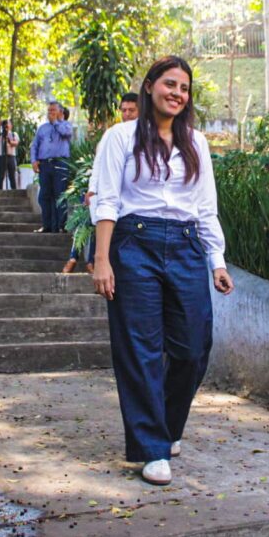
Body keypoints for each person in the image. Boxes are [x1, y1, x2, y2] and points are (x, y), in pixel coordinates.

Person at [91, 56, 235, 486]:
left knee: (193, 348)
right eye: (170, 84)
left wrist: (216, 260)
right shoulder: (120, 137)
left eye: (184, 88)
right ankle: (151, 448)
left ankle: (167, 426)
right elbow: (107, 200)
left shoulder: (196, 143)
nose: (177, 93)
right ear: (150, 85)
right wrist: (102, 259)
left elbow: (206, 207)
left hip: (187, 246)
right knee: (141, 349)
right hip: (134, 245)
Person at [62, 93, 140, 273]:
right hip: (109, 193)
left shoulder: (150, 135)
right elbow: (99, 162)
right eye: (124, 110)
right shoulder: (113, 133)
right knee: (97, 223)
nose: (127, 114)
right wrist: (92, 189)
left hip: (134, 201)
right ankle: (86, 260)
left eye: (131, 110)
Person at [30, 101, 73, 232]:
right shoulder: (42, 128)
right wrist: (34, 160)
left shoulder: (66, 125)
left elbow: (66, 134)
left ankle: (61, 226)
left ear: (60, 112)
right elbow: (35, 145)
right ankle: (47, 225)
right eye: (49, 111)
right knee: (44, 195)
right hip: (44, 164)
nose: (50, 113)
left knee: (60, 194)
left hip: (60, 163)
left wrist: (55, 122)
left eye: (53, 110)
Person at [0, 118, 20, 190]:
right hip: (1, 157)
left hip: (11, 157)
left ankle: (14, 193)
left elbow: (16, 143)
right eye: (5, 123)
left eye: (8, 123)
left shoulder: (13, 134)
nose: (6, 125)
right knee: (0, 177)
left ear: (11, 125)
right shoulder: (0, 135)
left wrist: (9, 141)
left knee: (12, 177)